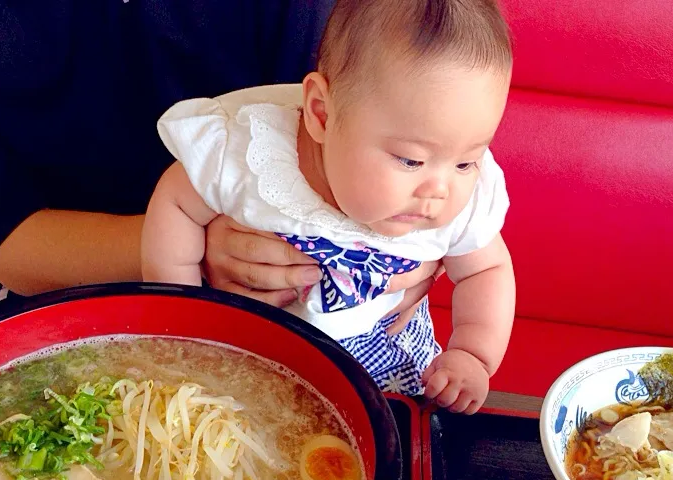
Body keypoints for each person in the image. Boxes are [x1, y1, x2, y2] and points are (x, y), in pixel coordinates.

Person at [0, 0, 437, 316]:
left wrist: (420, 245)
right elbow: (3, 234)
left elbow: (401, 113)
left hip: (312, 263)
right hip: (82, 281)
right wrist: (192, 249)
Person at [141, 0, 516, 413]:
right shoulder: (253, 156)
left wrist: (472, 354)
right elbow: (175, 202)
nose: (440, 190)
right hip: (250, 338)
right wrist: (180, 314)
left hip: (385, 350)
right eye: (410, 160)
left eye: (466, 161)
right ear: (321, 113)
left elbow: (487, 269)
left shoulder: (462, 194)